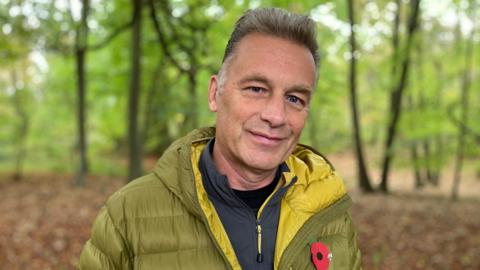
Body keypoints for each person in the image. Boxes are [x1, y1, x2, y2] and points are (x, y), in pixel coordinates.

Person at [79, 7, 361, 270]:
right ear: (215, 93)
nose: (276, 116)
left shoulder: (330, 218)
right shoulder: (128, 215)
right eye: (256, 89)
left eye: (294, 98)